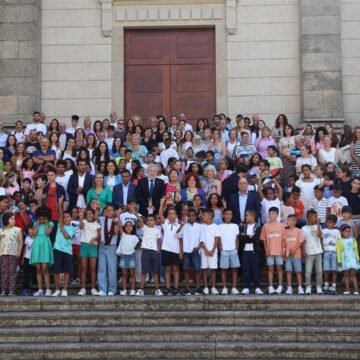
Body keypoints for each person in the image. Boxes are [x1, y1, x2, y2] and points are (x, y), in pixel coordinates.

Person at [52, 196, 75, 297]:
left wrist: (61, 227)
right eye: (64, 217)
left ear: (71, 218)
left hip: (68, 251)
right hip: (58, 250)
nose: (65, 218)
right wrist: (60, 204)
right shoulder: (59, 224)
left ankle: (64, 289)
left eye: (67, 217)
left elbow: (66, 236)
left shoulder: (72, 228)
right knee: (56, 271)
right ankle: (57, 289)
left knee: (66, 271)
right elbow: (60, 214)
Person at [260, 207, 286, 294]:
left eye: (273, 213)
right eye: (270, 213)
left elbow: (283, 239)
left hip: (279, 251)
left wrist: (283, 249)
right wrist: (266, 249)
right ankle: (270, 286)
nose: (271, 215)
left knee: (279, 268)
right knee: (270, 268)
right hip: (270, 251)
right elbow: (263, 239)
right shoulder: (265, 226)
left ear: (277, 214)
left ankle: (280, 286)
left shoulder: (281, 226)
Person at [177, 209, 203, 296]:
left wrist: (199, 246)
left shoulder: (199, 226)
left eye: (193, 215)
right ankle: (187, 288)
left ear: (196, 217)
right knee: (186, 269)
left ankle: (198, 288)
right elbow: (177, 234)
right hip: (186, 251)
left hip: (195, 251)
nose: (191, 217)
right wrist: (181, 225)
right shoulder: (184, 226)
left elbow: (202, 238)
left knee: (197, 269)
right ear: (187, 216)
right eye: (190, 215)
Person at [136, 214, 163, 296]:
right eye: (148, 220)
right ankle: (141, 289)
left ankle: (157, 289)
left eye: (151, 220)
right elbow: (140, 219)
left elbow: (158, 241)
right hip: (145, 252)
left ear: (154, 221)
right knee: (144, 271)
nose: (149, 222)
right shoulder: (145, 229)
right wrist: (135, 213)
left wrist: (158, 250)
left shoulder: (157, 230)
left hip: (154, 252)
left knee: (155, 271)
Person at [30, 207, 54, 297]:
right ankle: (40, 289)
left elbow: (48, 233)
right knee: (38, 269)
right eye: (40, 216)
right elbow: (34, 233)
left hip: (45, 245)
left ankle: (48, 290)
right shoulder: (36, 223)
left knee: (45, 269)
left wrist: (47, 223)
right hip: (37, 245)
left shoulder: (50, 223)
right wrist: (38, 224)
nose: (42, 218)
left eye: (44, 216)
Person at [159, 198, 181, 296]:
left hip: (176, 250)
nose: (171, 215)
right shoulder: (165, 224)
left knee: (175, 269)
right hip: (166, 249)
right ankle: (168, 288)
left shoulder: (179, 225)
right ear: (167, 215)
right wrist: (162, 204)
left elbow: (181, 239)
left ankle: (176, 287)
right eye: (169, 213)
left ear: (176, 216)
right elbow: (160, 215)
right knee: (167, 269)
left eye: (173, 213)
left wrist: (181, 251)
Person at [78, 208, 101, 296]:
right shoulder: (83, 221)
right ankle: (83, 288)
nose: (88, 215)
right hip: (84, 245)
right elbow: (80, 227)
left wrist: (94, 238)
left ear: (93, 214)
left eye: (90, 214)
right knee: (83, 268)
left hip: (93, 247)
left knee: (92, 269)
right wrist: (80, 218)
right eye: (87, 214)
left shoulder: (97, 225)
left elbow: (99, 236)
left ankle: (93, 288)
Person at [97, 204, 119, 296]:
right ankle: (102, 289)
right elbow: (96, 218)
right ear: (105, 212)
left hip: (112, 246)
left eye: (111, 210)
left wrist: (115, 222)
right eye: (107, 210)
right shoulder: (102, 219)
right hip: (102, 245)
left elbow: (116, 232)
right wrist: (97, 209)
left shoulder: (116, 220)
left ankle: (112, 289)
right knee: (101, 268)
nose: (109, 212)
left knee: (112, 268)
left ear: (114, 211)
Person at [0, 213, 23, 296]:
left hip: (13, 253)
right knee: (4, 272)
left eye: (14, 218)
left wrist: (19, 252)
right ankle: (3, 289)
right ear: (6, 220)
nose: (14, 220)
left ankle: (11, 290)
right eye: (12, 219)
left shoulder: (17, 230)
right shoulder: (1, 230)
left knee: (12, 271)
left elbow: (20, 242)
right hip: (3, 254)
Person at [219, 208, 240, 295]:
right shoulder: (220, 226)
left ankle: (234, 287)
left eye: (230, 214)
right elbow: (219, 240)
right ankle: (224, 287)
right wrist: (221, 250)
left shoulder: (235, 226)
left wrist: (236, 249)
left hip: (233, 250)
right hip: (224, 251)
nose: (228, 216)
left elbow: (237, 239)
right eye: (227, 214)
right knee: (223, 270)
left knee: (234, 269)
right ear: (223, 215)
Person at [302, 210, 323, 295]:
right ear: (309, 217)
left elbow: (319, 235)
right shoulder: (303, 228)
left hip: (318, 251)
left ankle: (319, 287)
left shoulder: (318, 226)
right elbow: (303, 241)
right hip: (309, 252)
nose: (316, 218)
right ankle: (308, 286)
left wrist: (318, 224)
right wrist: (304, 251)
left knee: (319, 271)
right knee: (308, 271)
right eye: (315, 216)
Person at [199, 209, 220, 295]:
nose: (202, 216)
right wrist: (206, 250)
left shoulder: (216, 226)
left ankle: (213, 287)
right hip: (204, 251)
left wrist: (213, 250)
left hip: (213, 252)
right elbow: (201, 240)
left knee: (213, 269)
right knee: (204, 269)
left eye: (204, 215)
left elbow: (217, 239)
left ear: (210, 216)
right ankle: (205, 287)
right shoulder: (202, 226)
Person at [116, 219, 139, 296]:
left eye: (130, 226)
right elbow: (119, 225)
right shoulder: (123, 235)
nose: (128, 227)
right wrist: (119, 216)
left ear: (133, 228)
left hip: (131, 256)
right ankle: (124, 289)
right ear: (124, 227)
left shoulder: (135, 237)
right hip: (123, 256)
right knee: (124, 274)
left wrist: (133, 250)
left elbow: (138, 244)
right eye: (126, 226)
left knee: (132, 274)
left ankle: (133, 289)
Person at [284, 214, 304, 295]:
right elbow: (284, 242)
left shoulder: (298, 231)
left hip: (296, 254)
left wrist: (294, 250)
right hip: (288, 255)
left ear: (294, 222)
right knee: (288, 271)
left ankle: (300, 287)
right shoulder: (285, 231)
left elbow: (300, 242)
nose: (287, 222)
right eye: (287, 220)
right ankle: (289, 287)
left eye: (289, 220)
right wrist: (285, 251)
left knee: (298, 271)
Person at [337, 224, 359, 295]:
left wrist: (357, 258)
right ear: (342, 232)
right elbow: (338, 251)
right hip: (345, 259)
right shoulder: (340, 241)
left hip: (352, 259)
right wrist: (339, 260)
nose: (348, 233)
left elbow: (356, 250)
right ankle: (348, 290)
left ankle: (356, 290)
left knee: (353, 275)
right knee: (346, 275)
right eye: (346, 231)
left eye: (349, 231)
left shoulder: (353, 240)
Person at [321, 214, 341, 294]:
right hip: (326, 252)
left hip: (334, 252)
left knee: (334, 270)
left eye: (331, 222)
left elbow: (339, 243)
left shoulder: (337, 231)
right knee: (325, 270)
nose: (329, 224)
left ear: (335, 223)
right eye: (327, 222)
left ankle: (333, 286)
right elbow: (320, 239)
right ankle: (326, 285)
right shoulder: (324, 230)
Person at [21, 227, 36, 296]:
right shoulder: (27, 238)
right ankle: (25, 289)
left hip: (35, 259)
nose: (30, 234)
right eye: (29, 232)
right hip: (27, 258)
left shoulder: (37, 239)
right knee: (26, 274)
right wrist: (23, 258)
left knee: (34, 274)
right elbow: (25, 248)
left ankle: (35, 289)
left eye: (32, 232)